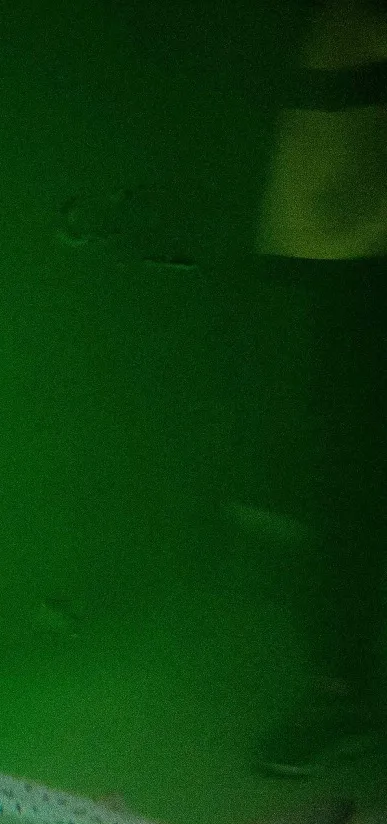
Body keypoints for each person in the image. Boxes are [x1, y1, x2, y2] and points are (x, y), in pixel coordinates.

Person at [253, 0, 387, 776]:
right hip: (346, 244)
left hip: (346, 236)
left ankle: (340, 690)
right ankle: (340, 689)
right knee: (342, 469)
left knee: (343, 467)